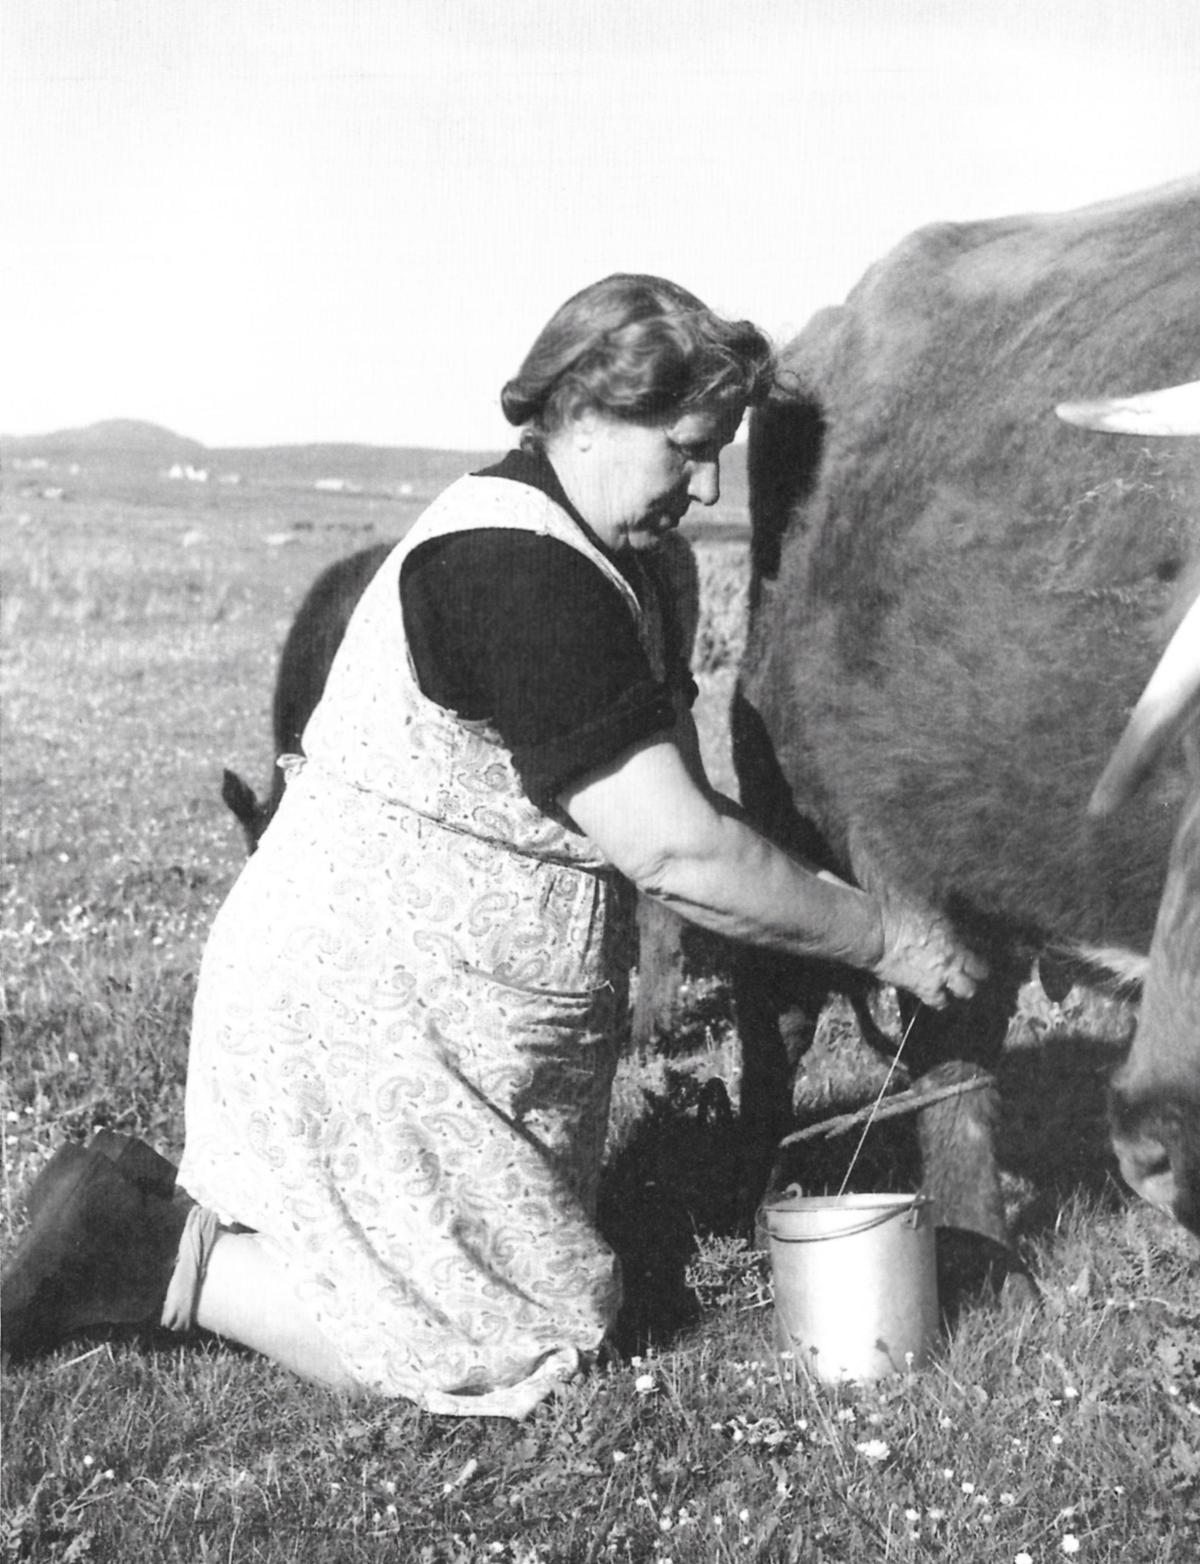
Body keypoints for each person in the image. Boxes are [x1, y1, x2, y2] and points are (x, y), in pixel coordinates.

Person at [1, 275, 985, 1415]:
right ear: (579, 416)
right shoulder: (523, 575)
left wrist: (794, 913)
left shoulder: (629, 558)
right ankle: (149, 1248)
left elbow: (690, 807)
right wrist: (880, 935)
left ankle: (212, 1217)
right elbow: (676, 853)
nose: (707, 483)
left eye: (720, 451)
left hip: (458, 1016)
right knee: (512, 1349)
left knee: (543, 1287)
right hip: (365, 1010)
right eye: (686, 448)